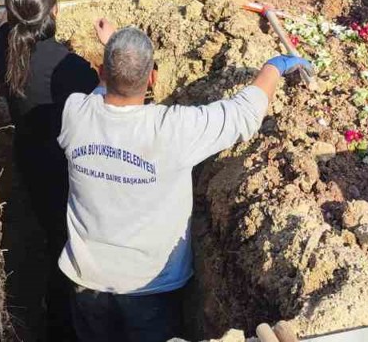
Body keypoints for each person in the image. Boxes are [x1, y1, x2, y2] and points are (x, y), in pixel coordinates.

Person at [57, 26, 310, 342]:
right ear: (152, 78)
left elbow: (104, 91)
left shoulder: (74, 112)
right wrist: (275, 67)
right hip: (149, 288)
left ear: (101, 71)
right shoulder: (172, 129)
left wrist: (116, 52)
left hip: (85, 278)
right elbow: (244, 113)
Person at [0, 0, 104, 342]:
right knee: (62, 244)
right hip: (66, 169)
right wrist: (111, 46)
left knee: (41, 231)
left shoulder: (3, 43)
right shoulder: (71, 68)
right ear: (55, 10)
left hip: (28, 155)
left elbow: (20, 22)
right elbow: (108, 105)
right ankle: (60, 324)